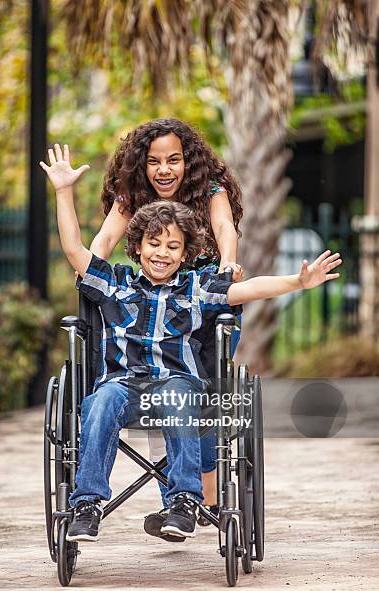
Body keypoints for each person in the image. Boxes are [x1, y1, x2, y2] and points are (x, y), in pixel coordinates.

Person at [40, 150, 342, 542]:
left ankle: (184, 500)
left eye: (172, 247)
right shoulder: (116, 284)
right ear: (137, 247)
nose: (161, 253)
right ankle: (86, 504)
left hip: (177, 383)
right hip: (123, 385)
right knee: (98, 402)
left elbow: (246, 288)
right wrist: (64, 192)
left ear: (185, 255)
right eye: (154, 243)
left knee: (178, 398)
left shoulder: (196, 289)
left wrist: (297, 283)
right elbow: (74, 251)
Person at [40, 118, 244, 533]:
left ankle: (198, 491)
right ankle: (178, 495)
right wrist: (89, 270)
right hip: (144, 304)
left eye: (173, 160)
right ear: (142, 164)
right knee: (146, 383)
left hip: (204, 299)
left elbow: (224, 226)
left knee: (198, 392)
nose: (164, 169)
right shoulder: (131, 196)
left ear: (189, 162)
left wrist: (226, 263)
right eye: (154, 161)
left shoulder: (209, 190)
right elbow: (98, 244)